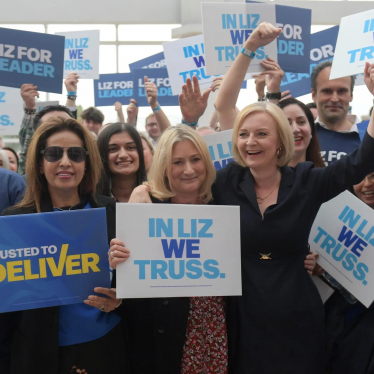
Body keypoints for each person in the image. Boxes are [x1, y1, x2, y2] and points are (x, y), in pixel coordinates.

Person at [206, 23, 374, 373]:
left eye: (262, 134)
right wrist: (250, 46)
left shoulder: (308, 181)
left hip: (298, 318)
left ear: (281, 141)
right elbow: (222, 106)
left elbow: (360, 163)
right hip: (242, 315)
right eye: (244, 135)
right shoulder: (223, 182)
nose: (250, 142)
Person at [1, 117, 129, 374]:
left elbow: (135, 285)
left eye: (76, 154)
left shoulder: (112, 212)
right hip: (37, 353)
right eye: (53, 153)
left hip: (104, 348)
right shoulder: (14, 222)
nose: (65, 162)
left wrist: (121, 296)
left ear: (87, 162)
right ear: (39, 163)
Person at [110, 125, 229, 374]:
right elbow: (127, 284)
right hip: (164, 334)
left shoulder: (223, 201)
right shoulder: (146, 203)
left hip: (215, 328)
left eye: (195, 159)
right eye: (178, 162)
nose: (188, 169)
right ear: (164, 166)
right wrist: (117, 261)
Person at [19, 72, 79, 174]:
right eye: (50, 127)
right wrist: (29, 108)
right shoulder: (26, 183)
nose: (65, 163)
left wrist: (71, 95)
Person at [310, 60, 369, 165]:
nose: (334, 99)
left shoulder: (368, 137)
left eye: (342, 91)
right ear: (314, 95)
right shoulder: (304, 136)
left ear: (351, 95)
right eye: (327, 91)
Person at [97, 122, 147, 202]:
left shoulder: (159, 195)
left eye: (130, 147)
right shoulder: (92, 200)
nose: (123, 155)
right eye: (113, 149)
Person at [278, 98, 325, 167]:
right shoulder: (263, 176)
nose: (295, 129)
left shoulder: (325, 175)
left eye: (301, 122)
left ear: (311, 128)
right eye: (287, 123)